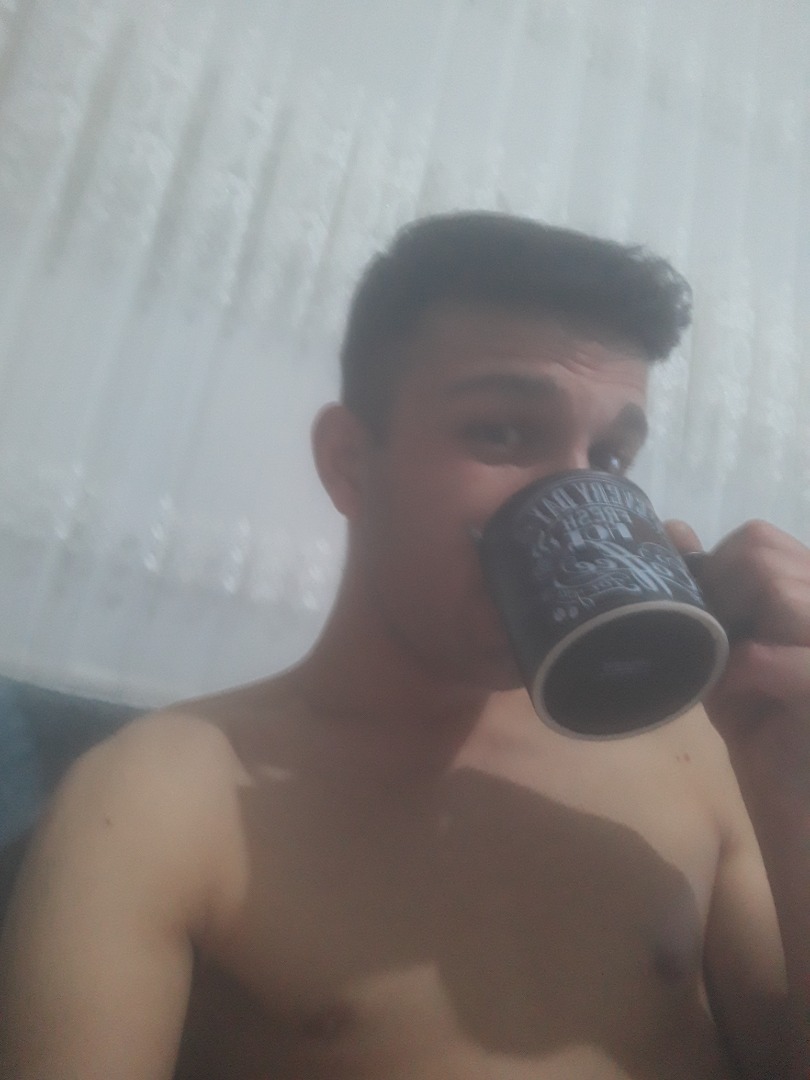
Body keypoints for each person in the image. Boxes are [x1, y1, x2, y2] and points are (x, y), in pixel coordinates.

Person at [1, 211, 809, 1080]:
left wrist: (788, 780)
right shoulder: (161, 800)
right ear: (350, 463)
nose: (577, 498)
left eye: (609, 458)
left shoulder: (696, 752)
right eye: (501, 432)